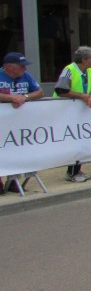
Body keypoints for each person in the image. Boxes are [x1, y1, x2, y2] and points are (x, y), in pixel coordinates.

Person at [54, 46, 91, 183]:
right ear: (84, 59)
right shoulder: (69, 70)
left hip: (82, 111)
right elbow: (61, 90)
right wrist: (82, 96)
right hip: (65, 111)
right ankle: (71, 172)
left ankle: (76, 170)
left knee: (81, 141)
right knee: (72, 141)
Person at [0, 52, 44, 194]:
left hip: (19, 123)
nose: (24, 69)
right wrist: (11, 97)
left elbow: (39, 92)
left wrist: (24, 97)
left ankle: (13, 180)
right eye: (21, 66)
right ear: (8, 66)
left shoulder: (26, 76)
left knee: (17, 149)